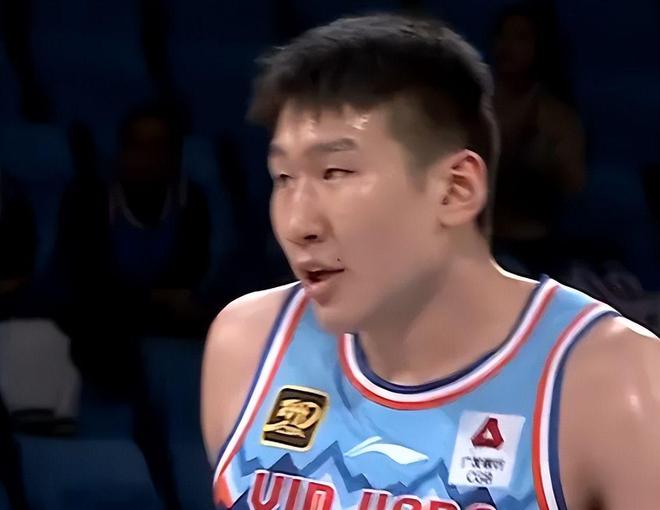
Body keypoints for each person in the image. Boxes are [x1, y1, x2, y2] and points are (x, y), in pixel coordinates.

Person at [201, 14, 660, 510]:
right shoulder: (249, 344)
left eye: (335, 172)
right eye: (284, 178)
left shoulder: (614, 382)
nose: (297, 224)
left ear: (455, 190)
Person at [490, 2, 586, 277]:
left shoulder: (556, 117)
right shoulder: (472, 106)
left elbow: (574, 184)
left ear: (540, 48)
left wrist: (542, 160)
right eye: (502, 35)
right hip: (476, 241)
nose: (507, 46)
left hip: (535, 249)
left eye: (521, 38)